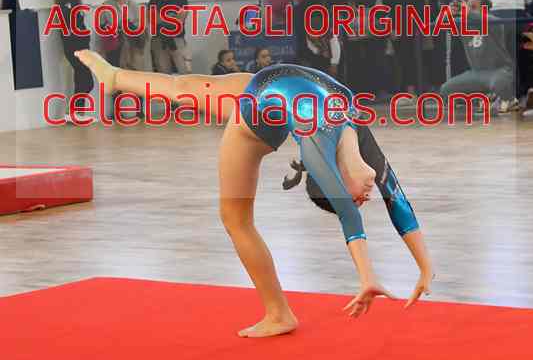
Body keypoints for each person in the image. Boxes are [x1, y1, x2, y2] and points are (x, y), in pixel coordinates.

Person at [74, 50, 434, 338]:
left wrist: (418, 267)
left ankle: (278, 314)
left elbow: (368, 209)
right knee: (182, 85)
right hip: (259, 88)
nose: (364, 197)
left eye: (356, 198)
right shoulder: (353, 131)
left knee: (234, 219)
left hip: (252, 123)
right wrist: (407, 270)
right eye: (357, 198)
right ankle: (113, 76)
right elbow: (375, 206)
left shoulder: (319, 146)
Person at [440, 0, 514, 114]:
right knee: (446, 89)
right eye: (467, 6)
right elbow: (439, 25)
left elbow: (483, 19)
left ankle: (509, 100)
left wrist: (467, 12)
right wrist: (448, 12)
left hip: (498, 70)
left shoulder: (494, 21)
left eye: (473, 7)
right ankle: (483, 98)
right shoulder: (463, 23)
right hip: (476, 72)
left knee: (499, 83)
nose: (468, 9)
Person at [480, 0, 533, 103]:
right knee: (522, 56)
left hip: (496, 19)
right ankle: (522, 92)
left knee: (501, 58)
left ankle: (504, 95)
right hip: (519, 18)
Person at [100, 0, 147, 117]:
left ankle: (139, 109)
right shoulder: (107, 5)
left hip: (132, 45)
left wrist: (128, 26)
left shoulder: (133, 5)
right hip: (115, 45)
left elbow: (140, 25)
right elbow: (102, 25)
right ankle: (117, 111)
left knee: (137, 77)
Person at [379, 0, 425, 95]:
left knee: (409, 57)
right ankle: (403, 90)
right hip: (395, 25)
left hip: (409, 25)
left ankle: (411, 90)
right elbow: (387, 4)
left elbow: (418, 4)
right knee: (399, 59)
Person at [54, 0, 93, 122]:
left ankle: (77, 114)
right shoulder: (66, 5)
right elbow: (69, 29)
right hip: (76, 48)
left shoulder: (74, 4)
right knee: (86, 82)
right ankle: (75, 113)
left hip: (81, 46)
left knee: (81, 79)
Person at [148, 0, 191, 74]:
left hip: (177, 40)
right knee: (163, 75)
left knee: (185, 72)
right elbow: (152, 19)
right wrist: (171, 18)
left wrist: (161, 18)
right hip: (159, 41)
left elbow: (180, 20)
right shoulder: (154, 1)